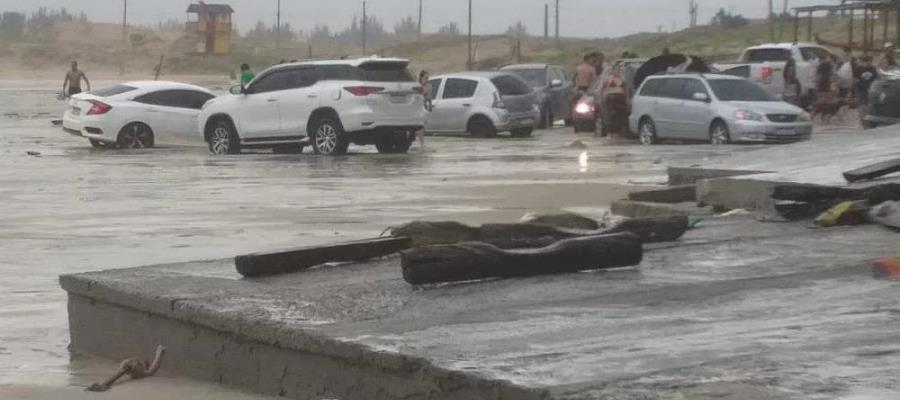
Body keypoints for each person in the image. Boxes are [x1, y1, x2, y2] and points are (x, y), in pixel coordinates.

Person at [600, 62, 629, 137]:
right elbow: (603, 89)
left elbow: (625, 89)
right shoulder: (609, 78)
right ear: (612, 70)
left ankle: (618, 132)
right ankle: (611, 132)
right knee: (612, 116)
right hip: (611, 98)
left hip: (621, 98)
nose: (617, 71)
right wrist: (604, 97)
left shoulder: (622, 78)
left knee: (621, 116)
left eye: (619, 69)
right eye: (616, 69)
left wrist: (626, 99)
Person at [855, 55, 879, 125]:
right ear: (864, 62)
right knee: (861, 105)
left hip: (869, 89)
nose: (868, 63)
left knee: (868, 104)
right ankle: (862, 120)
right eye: (867, 62)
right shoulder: (859, 69)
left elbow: (875, 79)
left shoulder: (873, 69)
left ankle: (867, 119)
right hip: (861, 89)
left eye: (870, 62)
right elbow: (855, 79)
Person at [416, 70, 432, 149]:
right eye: (425, 78)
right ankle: (420, 142)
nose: (427, 79)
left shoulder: (429, 86)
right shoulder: (417, 86)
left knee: (422, 126)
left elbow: (429, 97)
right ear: (421, 77)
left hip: (424, 107)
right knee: (418, 125)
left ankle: (422, 143)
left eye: (427, 78)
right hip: (417, 107)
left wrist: (430, 106)